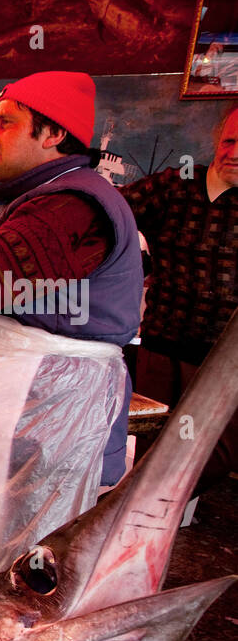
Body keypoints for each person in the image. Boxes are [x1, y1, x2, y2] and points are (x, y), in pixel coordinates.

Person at [0, 71, 143, 582]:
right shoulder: (44, 197)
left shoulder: (73, 204)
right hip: (22, 406)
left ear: (53, 133)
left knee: (22, 566)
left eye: (6, 122)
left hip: (45, 409)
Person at [121, 103, 238, 494]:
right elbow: (110, 214)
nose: (234, 153)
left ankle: (156, 501)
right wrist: (131, 266)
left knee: (217, 454)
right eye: (229, 141)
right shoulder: (177, 185)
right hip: (164, 348)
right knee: (150, 444)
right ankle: (135, 528)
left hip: (226, 362)